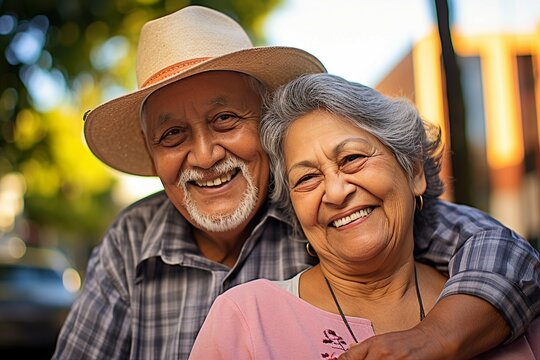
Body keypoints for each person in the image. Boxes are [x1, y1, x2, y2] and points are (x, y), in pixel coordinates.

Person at [52, 5, 540, 360]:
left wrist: (439, 336)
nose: (203, 155)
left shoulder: (323, 213)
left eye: (225, 119)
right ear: (151, 150)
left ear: (266, 124)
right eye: (173, 134)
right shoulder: (132, 238)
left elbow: (505, 253)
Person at [189, 73, 540, 360]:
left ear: (414, 172)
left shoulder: (506, 312)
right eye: (307, 178)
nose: (337, 191)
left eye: (352, 158)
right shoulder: (246, 319)